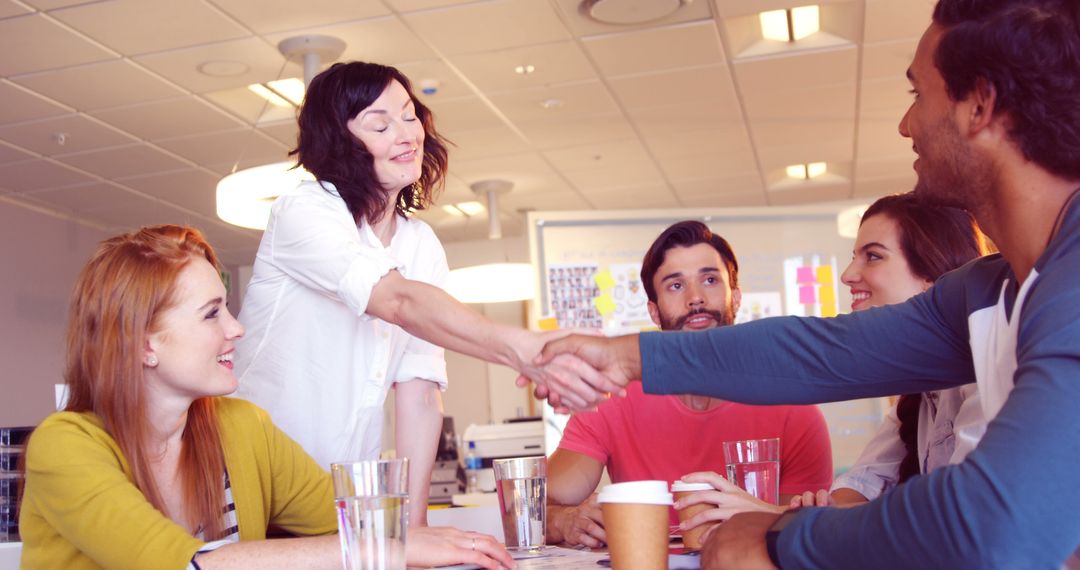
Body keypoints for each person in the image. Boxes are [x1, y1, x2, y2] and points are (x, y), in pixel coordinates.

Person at [534, 0, 1080, 566]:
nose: (906, 124)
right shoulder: (985, 290)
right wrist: (622, 357)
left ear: (980, 105)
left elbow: (996, 524)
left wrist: (781, 536)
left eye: (917, 94)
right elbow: (824, 351)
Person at [19, 225, 514, 570]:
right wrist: (378, 549)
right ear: (144, 344)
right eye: (211, 314)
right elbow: (183, 563)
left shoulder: (242, 426)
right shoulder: (64, 446)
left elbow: (353, 523)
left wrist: (403, 540)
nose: (236, 329)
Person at [232, 61, 599, 525]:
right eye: (380, 125)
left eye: (409, 116)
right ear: (338, 141)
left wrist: (416, 526)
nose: (407, 135)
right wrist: (524, 349)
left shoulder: (420, 244)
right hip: (254, 479)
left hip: (340, 491)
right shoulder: (304, 211)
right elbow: (397, 301)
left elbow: (421, 394)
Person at [546, 221, 833, 548]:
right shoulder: (612, 398)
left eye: (710, 280)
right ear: (654, 312)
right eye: (675, 285)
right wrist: (564, 520)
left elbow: (801, 541)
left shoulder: (793, 409)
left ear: (736, 297)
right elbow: (537, 506)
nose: (696, 298)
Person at [779, 193, 989, 511]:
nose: (847, 275)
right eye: (855, 256)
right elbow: (864, 482)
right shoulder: (918, 391)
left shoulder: (985, 373)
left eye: (873, 256)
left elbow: (962, 510)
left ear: (933, 278)